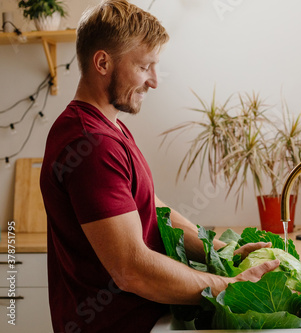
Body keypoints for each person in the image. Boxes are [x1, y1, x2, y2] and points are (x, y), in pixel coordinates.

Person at [39, 1, 279, 332]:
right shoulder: (92, 145)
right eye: (144, 66)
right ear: (102, 62)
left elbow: (149, 208)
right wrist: (230, 288)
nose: (154, 80)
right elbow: (131, 269)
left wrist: (222, 252)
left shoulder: (108, 128)